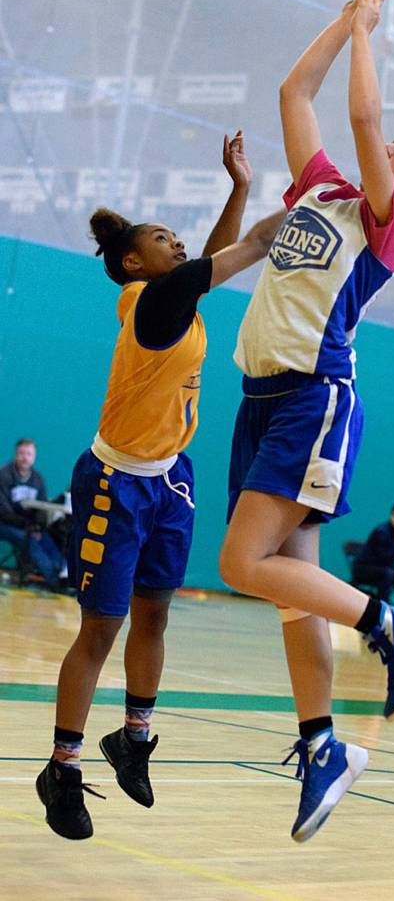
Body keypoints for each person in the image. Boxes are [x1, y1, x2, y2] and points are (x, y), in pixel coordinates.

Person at [218, 0, 394, 844]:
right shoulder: (322, 190)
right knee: (290, 592)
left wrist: (370, 29)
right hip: (262, 400)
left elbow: (362, 115)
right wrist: (344, 20)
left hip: (313, 398)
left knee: (239, 562)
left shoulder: (388, 223)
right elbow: (293, 92)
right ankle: (322, 747)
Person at [36, 132, 286, 841]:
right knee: (101, 628)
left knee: (155, 615)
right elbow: (253, 245)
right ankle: (61, 768)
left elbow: (213, 258)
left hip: (170, 478)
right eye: (161, 238)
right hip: (114, 483)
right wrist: (323, 200)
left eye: (178, 238)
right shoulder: (151, 304)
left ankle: (134, 736)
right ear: (131, 263)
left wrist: (239, 187)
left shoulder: (175, 295)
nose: (176, 243)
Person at [0, 438, 66, 590]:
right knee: (30, 541)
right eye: (21, 453)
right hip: (6, 524)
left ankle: (64, 575)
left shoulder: (37, 479)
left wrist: (38, 526)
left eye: (28, 454)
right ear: (16, 454)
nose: (25, 457)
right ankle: (54, 582)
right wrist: (26, 525)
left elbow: (42, 507)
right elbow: (3, 510)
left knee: (47, 540)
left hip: (28, 526)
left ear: (34, 457)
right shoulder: (4, 475)